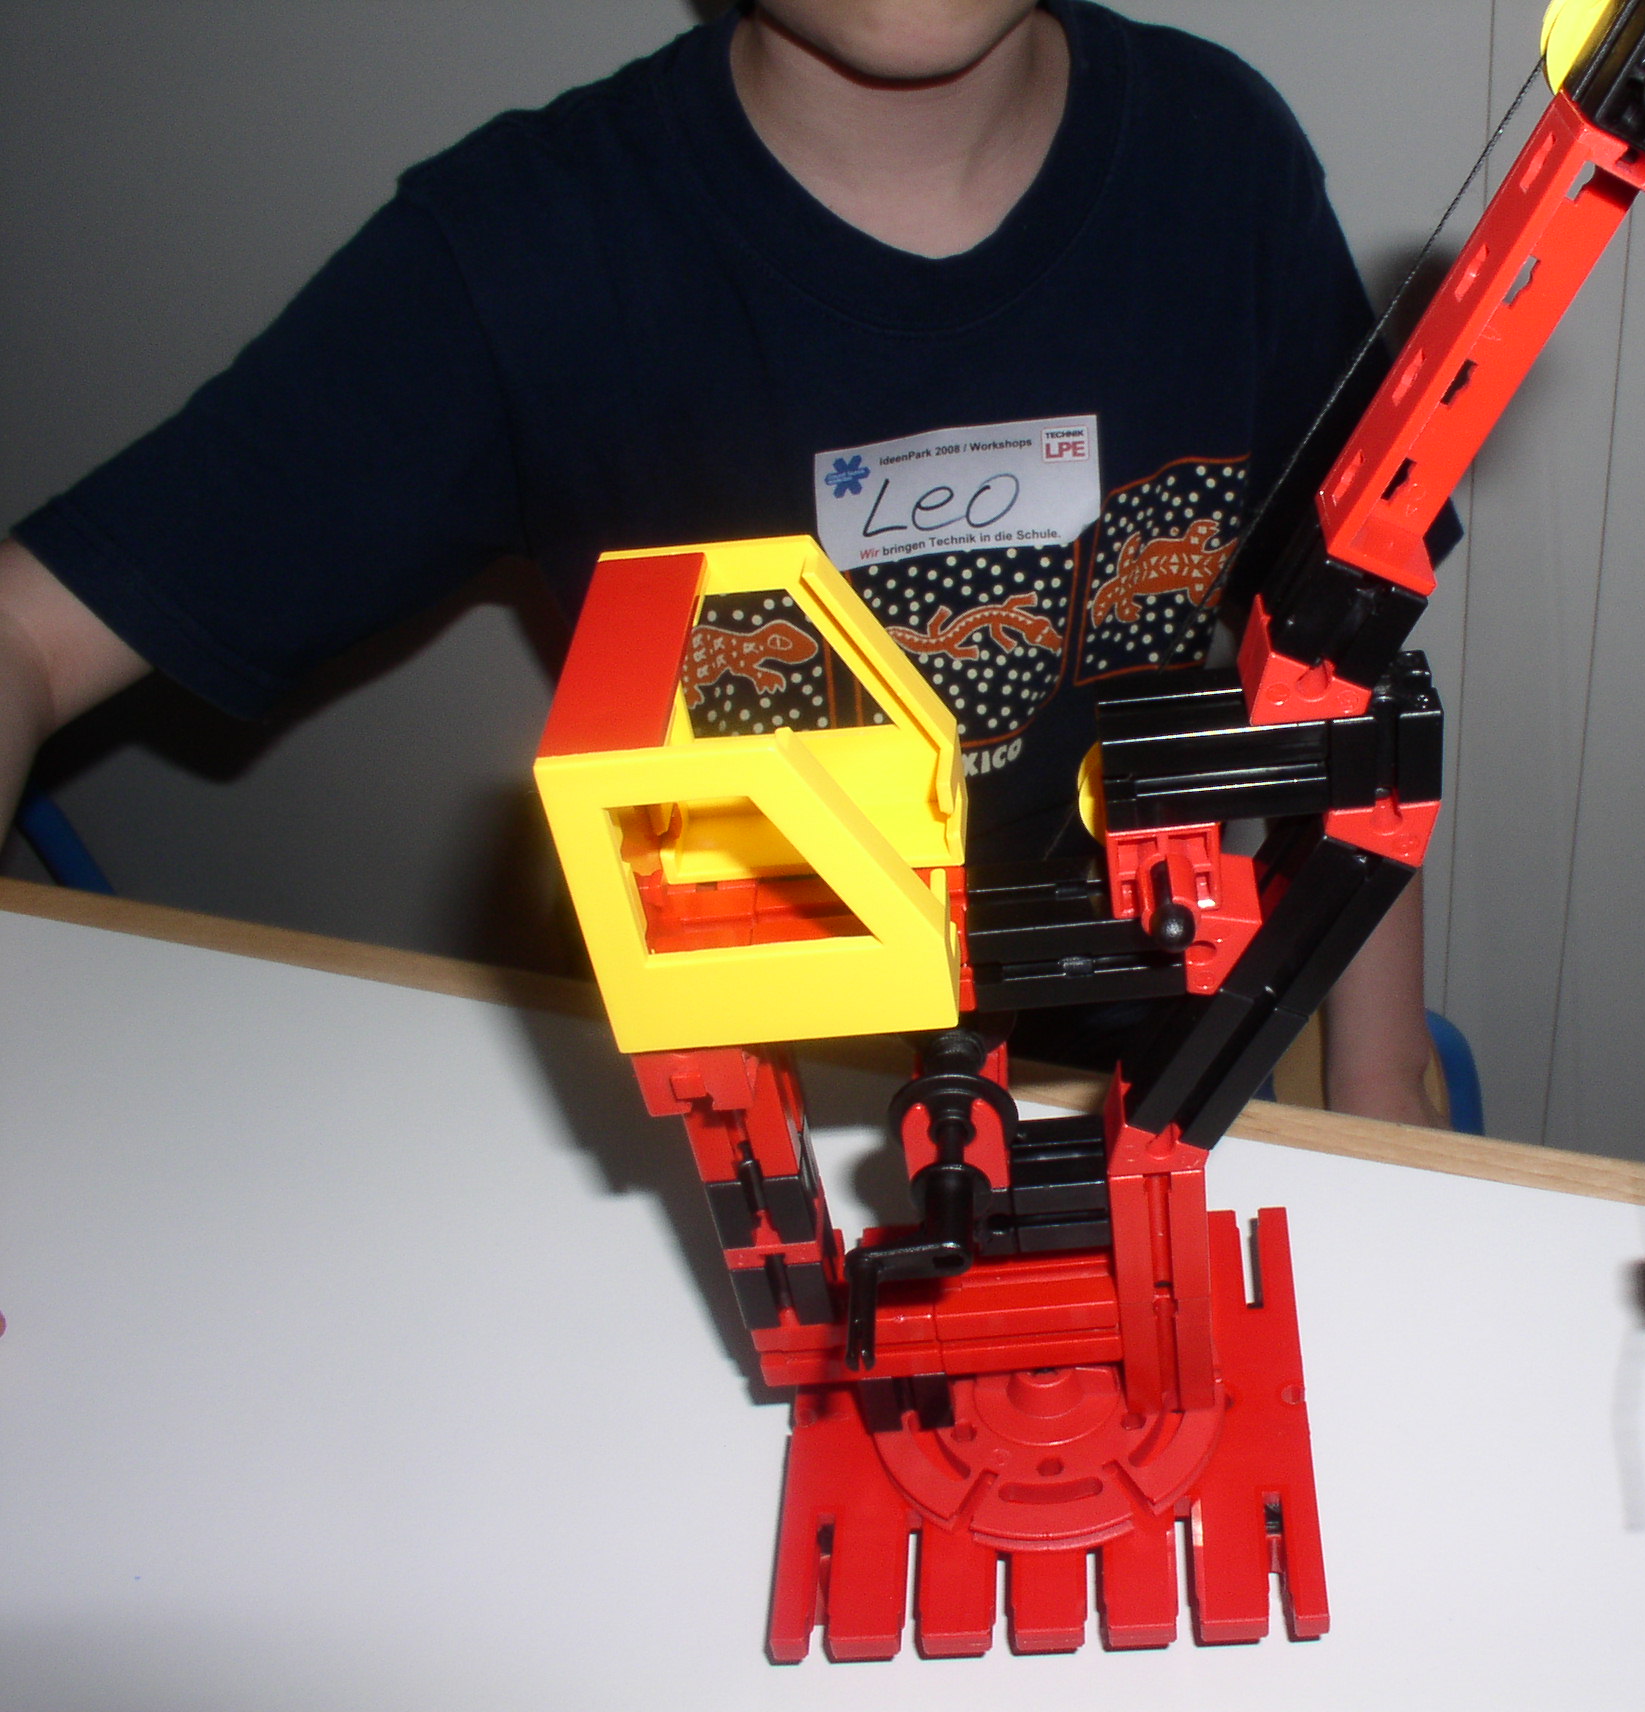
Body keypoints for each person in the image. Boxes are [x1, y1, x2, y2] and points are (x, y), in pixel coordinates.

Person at [0, 0, 1439, 1126]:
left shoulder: (1223, 164)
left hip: (1130, 1053)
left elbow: (1348, 659)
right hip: (741, 1078)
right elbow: (30, 634)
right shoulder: (525, 250)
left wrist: (1383, 1097)